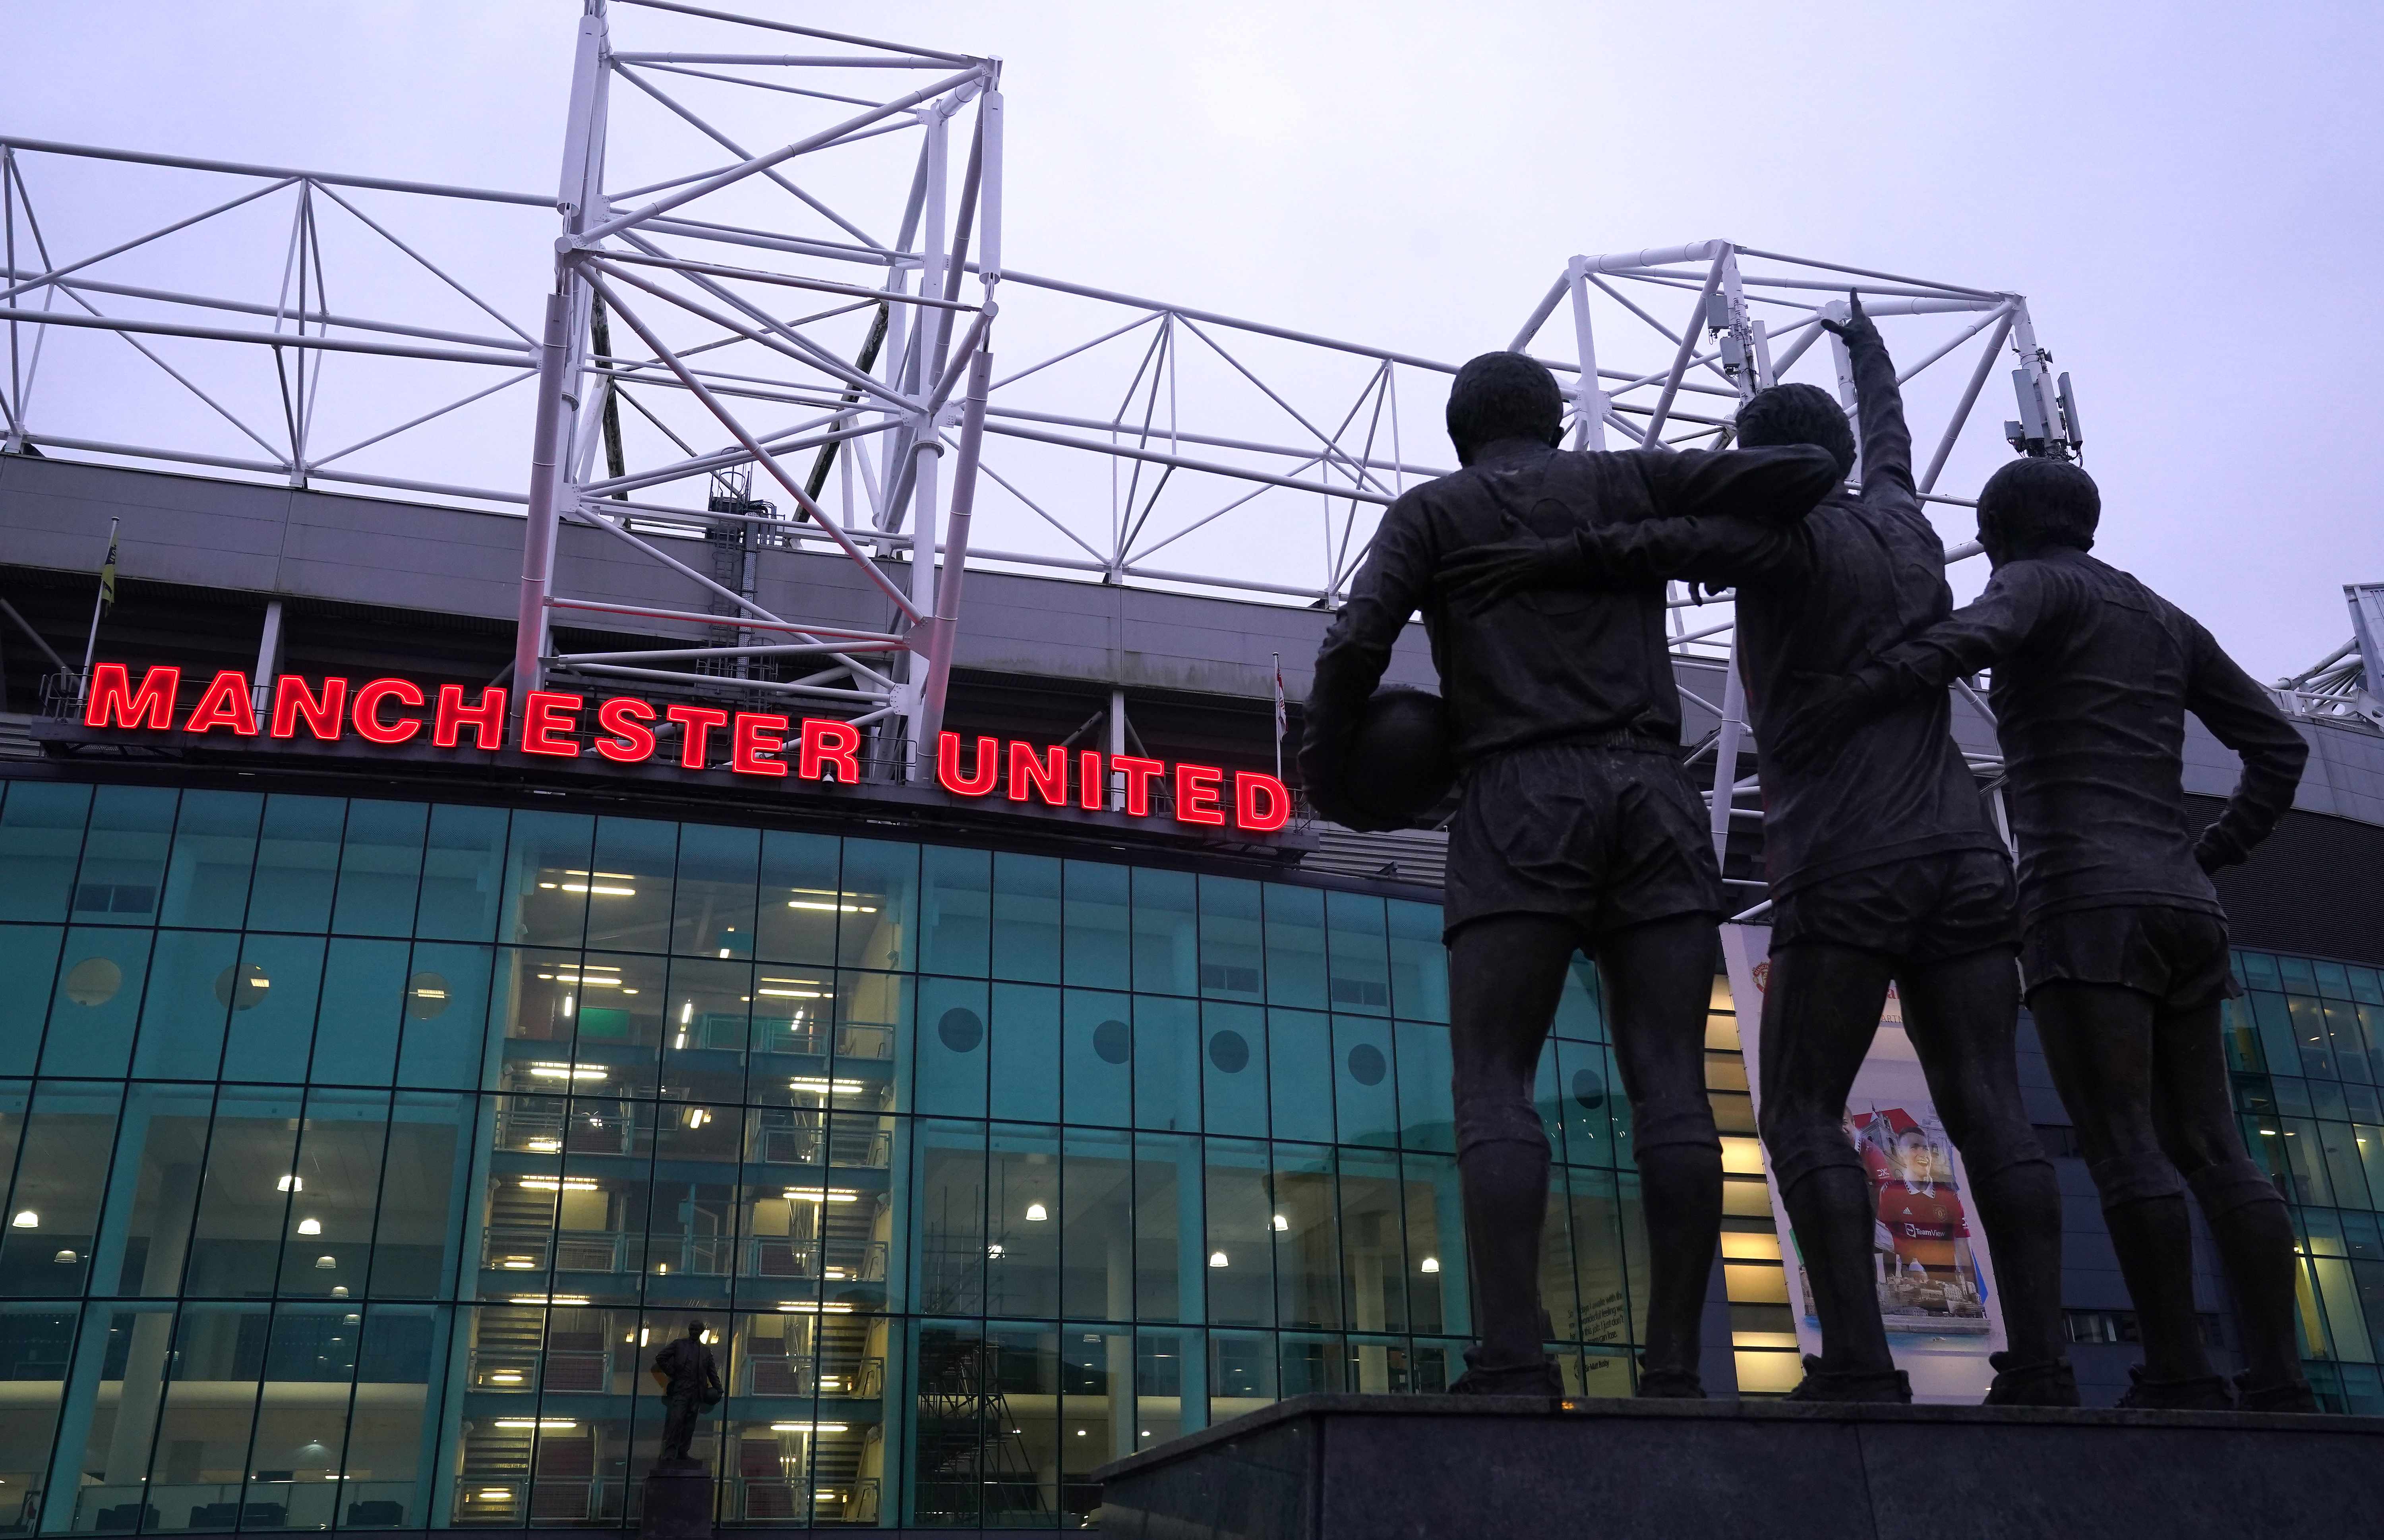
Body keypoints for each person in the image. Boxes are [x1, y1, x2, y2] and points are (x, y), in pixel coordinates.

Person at [1435, 296, 2071, 1405]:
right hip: (1967, 853)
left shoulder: (1781, 538)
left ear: (1764, 462)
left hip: (1848, 857)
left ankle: (1862, 1364)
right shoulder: (1906, 518)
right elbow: (1893, 439)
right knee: (1990, 1101)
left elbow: (1659, 541)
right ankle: (2053, 1361)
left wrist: (1545, 555)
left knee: (1798, 1110)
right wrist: (1867, 349)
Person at [1301, 350, 1840, 1397]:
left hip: (1520, 791)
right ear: (1555, 422)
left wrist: (1327, 768)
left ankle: (1514, 1354)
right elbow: (1806, 468)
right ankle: (1676, 1364)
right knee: (1674, 1089)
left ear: (1461, 434)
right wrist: (1627, 539)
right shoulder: (1627, 476)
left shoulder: (1435, 511)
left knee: (1495, 1078)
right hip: (1653, 793)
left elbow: (1357, 640)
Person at [1785, 454, 2314, 1411]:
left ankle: (2182, 1371)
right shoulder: (2162, 613)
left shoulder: (2032, 584)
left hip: (2086, 901)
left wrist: (1844, 696)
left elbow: (1949, 646)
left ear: (2001, 530)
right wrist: (2213, 850)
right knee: (2214, 1144)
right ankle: (2278, 1375)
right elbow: (2280, 746)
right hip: (2188, 904)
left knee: (2122, 1143)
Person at [651, 1320, 724, 1462]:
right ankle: (670, 1453)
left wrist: (719, 1390)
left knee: (690, 1424)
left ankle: (683, 1452)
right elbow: (661, 1357)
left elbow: (712, 1373)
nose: (694, 1332)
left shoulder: (706, 1351)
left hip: (697, 1392)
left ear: (702, 1332)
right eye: (692, 1329)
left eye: (697, 1330)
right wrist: (672, 1373)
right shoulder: (679, 1345)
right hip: (681, 1390)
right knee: (677, 1421)